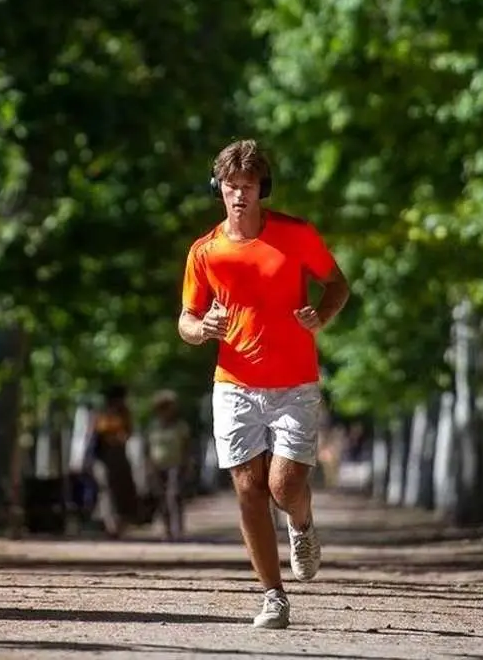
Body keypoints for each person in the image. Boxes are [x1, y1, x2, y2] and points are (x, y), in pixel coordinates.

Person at [177, 138, 350, 629]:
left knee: (283, 485)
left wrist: (321, 315)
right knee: (248, 488)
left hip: (294, 381)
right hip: (234, 383)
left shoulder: (295, 236)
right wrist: (201, 330)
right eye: (230, 187)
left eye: (248, 187)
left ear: (262, 189)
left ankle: (302, 522)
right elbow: (186, 321)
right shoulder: (205, 252)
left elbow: (337, 283)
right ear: (219, 189)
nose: (239, 196)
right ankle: (273, 596)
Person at [90, 383, 140, 538]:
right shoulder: (101, 414)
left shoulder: (124, 414)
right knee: (106, 489)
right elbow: (96, 434)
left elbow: (128, 433)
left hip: (119, 456)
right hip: (103, 457)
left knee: (121, 490)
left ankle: (118, 523)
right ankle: (110, 524)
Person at [145, 389, 191, 541]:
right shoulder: (153, 427)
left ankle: (177, 530)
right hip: (157, 466)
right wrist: (148, 466)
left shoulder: (180, 426)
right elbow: (148, 447)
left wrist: (187, 465)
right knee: (161, 498)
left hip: (175, 465)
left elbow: (186, 447)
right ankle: (167, 530)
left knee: (174, 495)